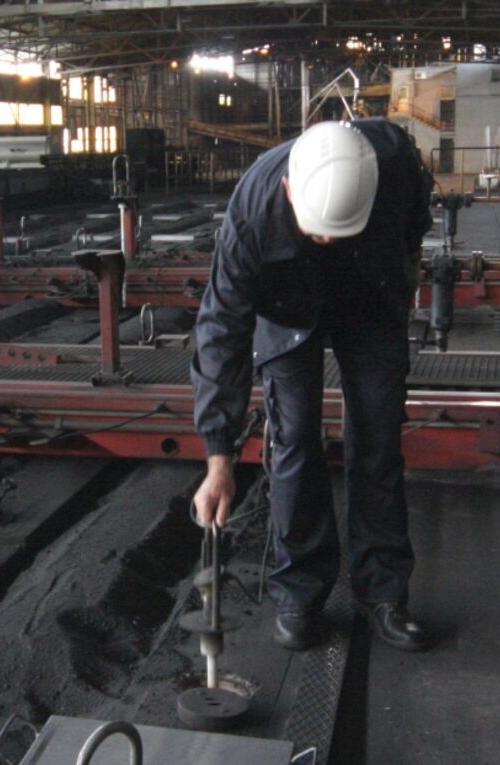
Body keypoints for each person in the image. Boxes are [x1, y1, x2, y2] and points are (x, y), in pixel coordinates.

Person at [190, 118, 433, 653]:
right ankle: (300, 592)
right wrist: (218, 457)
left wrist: (408, 265)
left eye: (335, 230)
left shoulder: (394, 162)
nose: (325, 239)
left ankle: (383, 591)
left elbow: (416, 216)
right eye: (317, 229)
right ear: (288, 188)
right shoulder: (253, 210)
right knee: (294, 437)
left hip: (370, 292)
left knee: (377, 435)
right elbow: (221, 332)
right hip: (287, 306)